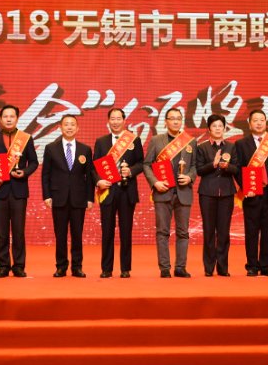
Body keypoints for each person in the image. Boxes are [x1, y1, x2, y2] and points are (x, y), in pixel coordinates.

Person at [0, 105, 38, 278]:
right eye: (5, 116)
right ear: (0, 119)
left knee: (19, 231)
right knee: (1, 232)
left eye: (11, 116)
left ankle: (19, 266)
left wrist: (25, 172)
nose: (8, 119)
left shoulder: (25, 139)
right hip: (0, 190)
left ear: (17, 118)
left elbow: (34, 162)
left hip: (19, 191)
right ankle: (3, 266)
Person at [143, 108, 198, 278]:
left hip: (183, 192)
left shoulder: (190, 142)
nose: (175, 121)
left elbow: (194, 166)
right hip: (163, 191)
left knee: (183, 232)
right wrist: (155, 182)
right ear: (165, 121)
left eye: (178, 118)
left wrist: (190, 177)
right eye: (172, 118)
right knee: (162, 232)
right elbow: (147, 164)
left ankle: (180, 267)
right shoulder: (156, 140)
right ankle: (164, 268)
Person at [234, 109, 268, 277]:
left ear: (266, 122)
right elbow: (237, 170)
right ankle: (252, 266)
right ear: (249, 123)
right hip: (252, 193)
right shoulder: (241, 144)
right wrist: (246, 187)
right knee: (251, 231)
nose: (259, 123)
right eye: (255, 120)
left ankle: (267, 266)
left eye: (262, 120)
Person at [93, 108, 144, 279]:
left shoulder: (134, 139)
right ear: (108, 121)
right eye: (112, 119)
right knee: (107, 231)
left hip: (127, 191)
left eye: (118, 119)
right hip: (107, 191)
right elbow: (94, 167)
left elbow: (141, 163)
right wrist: (98, 181)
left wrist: (131, 171)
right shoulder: (101, 142)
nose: (115, 122)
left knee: (126, 231)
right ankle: (106, 269)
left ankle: (125, 268)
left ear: (124, 120)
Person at [42, 114, 94, 278]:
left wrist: (90, 198)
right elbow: (46, 174)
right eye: (66, 124)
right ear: (60, 127)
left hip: (79, 199)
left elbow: (89, 176)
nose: (69, 127)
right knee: (60, 235)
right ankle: (61, 266)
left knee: (77, 235)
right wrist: (47, 195)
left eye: (72, 124)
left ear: (77, 128)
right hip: (58, 198)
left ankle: (77, 267)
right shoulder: (51, 148)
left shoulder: (85, 149)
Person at [196, 114, 239, 277]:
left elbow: (237, 168)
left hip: (227, 193)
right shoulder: (202, 147)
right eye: (214, 126)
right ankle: (208, 268)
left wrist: (228, 167)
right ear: (209, 129)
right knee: (208, 231)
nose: (218, 129)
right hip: (207, 193)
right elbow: (199, 170)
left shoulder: (231, 147)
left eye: (220, 126)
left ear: (224, 128)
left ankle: (223, 267)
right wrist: (212, 165)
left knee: (223, 231)